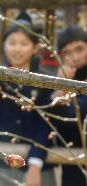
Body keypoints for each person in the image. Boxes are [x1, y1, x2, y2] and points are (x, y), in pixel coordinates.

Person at [0, 16, 55, 186]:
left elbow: (46, 125)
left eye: (24, 43)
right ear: (4, 46)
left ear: (35, 48)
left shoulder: (44, 80)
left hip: (36, 169)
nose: (17, 49)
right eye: (12, 42)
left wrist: (35, 165)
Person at [50, 25, 87, 186]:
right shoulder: (58, 78)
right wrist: (61, 86)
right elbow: (60, 123)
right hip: (73, 161)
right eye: (68, 53)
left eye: (80, 49)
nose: (75, 57)